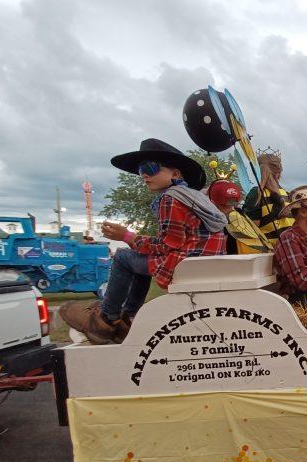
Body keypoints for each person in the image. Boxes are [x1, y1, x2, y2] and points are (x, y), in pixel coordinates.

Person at [60, 139, 227, 344]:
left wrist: (127, 237)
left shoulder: (171, 198)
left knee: (122, 257)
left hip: (183, 263)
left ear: (175, 174)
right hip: (198, 263)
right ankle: (128, 317)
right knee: (138, 259)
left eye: (150, 168)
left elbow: (168, 245)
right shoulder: (195, 197)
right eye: (141, 171)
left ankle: (105, 320)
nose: (144, 175)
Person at [243, 152, 294, 246]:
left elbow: (251, 232)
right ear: (279, 172)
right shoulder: (288, 195)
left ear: (257, 171)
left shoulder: (257, 194)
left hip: (267, 252)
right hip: (289, 249)